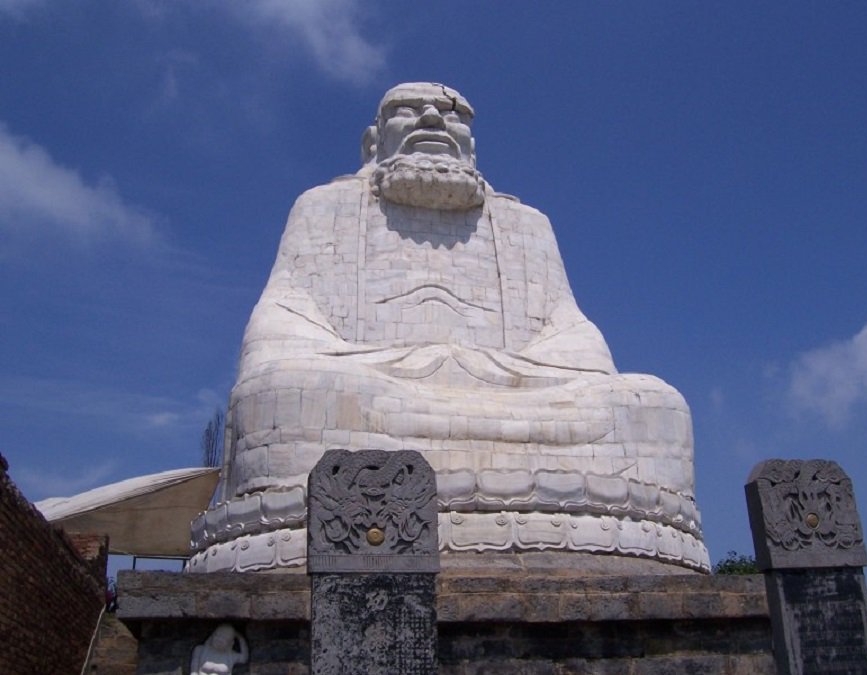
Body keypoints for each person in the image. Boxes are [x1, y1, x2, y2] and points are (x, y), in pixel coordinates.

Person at [192, 83, 707, 572]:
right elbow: (280, 328)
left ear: (472, 144)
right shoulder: (323, 209)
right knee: (283, 394)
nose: (434, 117)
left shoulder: (527, 226)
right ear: (374, 140)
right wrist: (407, 368)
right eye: (408, 110)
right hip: (373, 385)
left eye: (454, 113)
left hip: (516, 391)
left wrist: (482, 370)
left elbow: (572, 337)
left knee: (654, 403)